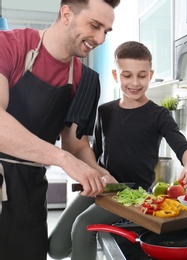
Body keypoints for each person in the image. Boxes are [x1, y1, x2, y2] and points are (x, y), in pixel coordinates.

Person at [48, 41, 187, 260]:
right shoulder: (104, 111)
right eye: (127, 75)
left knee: (83, 226)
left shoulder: (159, 115)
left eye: (141, 75)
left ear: (151, 75)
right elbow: (96, 153)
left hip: (133, 195)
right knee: (56, 248)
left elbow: (183, 147)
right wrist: (97, 175)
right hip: (102, 186)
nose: (135, 83)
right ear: (115, 75)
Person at [0, 0, 120, 259]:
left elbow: (75, 145)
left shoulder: (86, 81)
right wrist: (62, 159)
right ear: (66, 14)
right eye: (95, 25)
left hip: (30, 196)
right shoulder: (9, 46)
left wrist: (97, 173)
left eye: (106, 31)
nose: (100, 38)